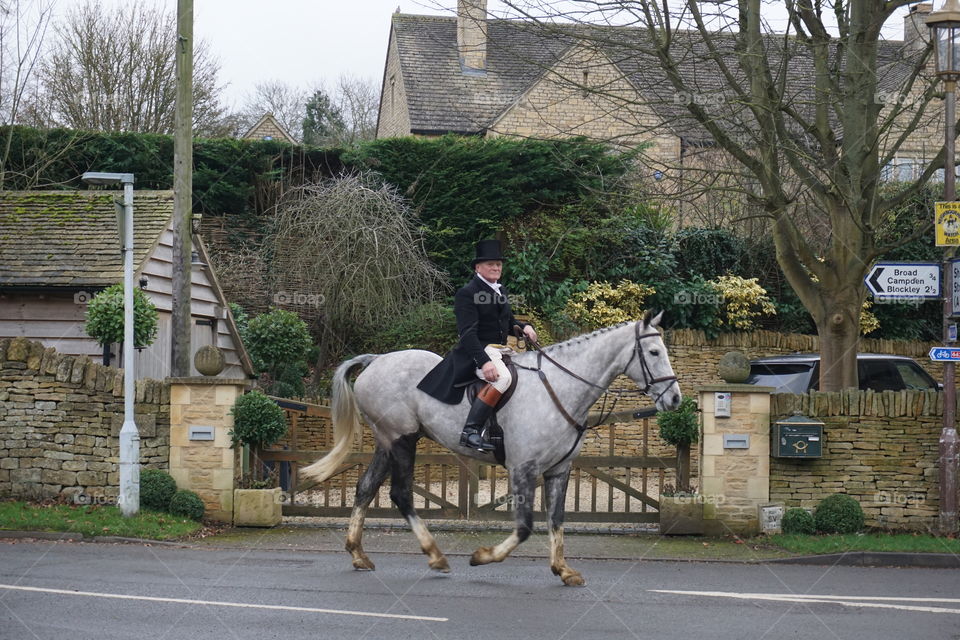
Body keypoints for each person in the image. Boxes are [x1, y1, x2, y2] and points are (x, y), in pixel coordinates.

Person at [417, 239, 538, 452]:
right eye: (491, 264)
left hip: (500, 350)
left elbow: (507, 322)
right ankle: (471, 431)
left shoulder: (500, 290)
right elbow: (467, 334)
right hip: (478, 351)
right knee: (503, 378)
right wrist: (484, 362)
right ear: (478, 268)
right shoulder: (468, 293)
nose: (496, 267)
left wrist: (524, 327)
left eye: (498, 264)